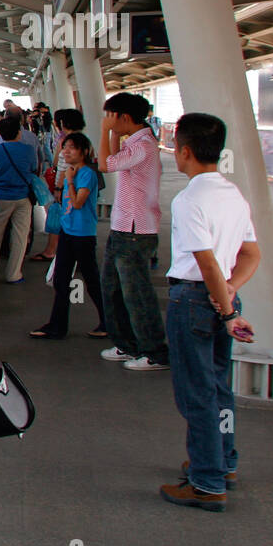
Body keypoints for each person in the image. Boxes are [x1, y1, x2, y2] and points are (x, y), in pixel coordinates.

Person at [160, 113, 260, 512]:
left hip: (194, 303)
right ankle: (223, 461)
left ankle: (206, 482)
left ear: (184, 151)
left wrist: (227, 311)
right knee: (219, 388)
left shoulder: (189, 200)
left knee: (197, 395)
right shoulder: (233, 194)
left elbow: (206, 264)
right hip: (221, 299)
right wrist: (232, 294)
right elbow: (250, 255)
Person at [97, 92, 169, 371]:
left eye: (111, 117)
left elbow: (105, 164)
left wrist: (104, 132)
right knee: (113, 289)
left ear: (124, 117)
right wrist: (114, 134)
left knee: (136, 293)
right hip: (123, 227)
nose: (108, 123)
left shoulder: (144, 146)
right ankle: (128, 344)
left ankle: (155, 352)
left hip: (136, 230)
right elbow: (114, 159)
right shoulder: (135, 142)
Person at [29, 133, 107, 340]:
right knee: (61, 280)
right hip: (68, 231)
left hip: (82, 234)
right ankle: (57, 325)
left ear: (84, 151)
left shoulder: (87, 174)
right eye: (65, 147)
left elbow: (78, 203)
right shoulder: (72, 171)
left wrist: (69, 181)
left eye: (71, 147)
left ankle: (108, 321)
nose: (66, 151)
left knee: (91, 280)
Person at [0, 115, 35, 284]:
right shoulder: (29, 149)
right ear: (19, 132)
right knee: (20, 236)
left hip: (1, 197)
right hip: (23, 198)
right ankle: (14, 274)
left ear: (0, 133)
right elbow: (33, 168)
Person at [30, 108, 85, 263]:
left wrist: (58, 188)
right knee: (75, 219)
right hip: (80, 185)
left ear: (63, 122)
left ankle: (52, 251)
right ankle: (75, 254)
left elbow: (62, 166)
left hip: (68, 186)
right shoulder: (83, 139)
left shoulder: (67, 141)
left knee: (60, 217)